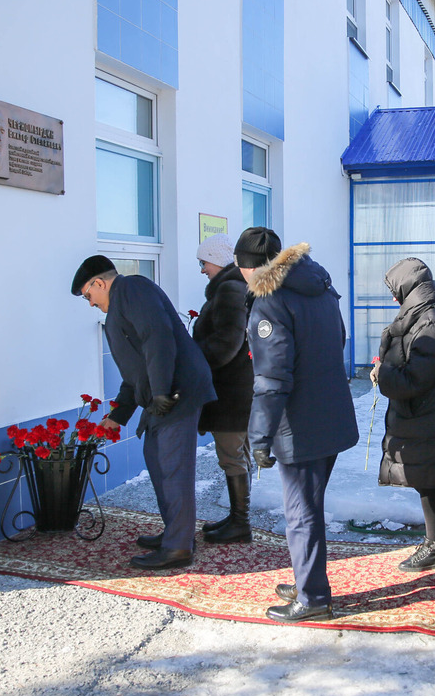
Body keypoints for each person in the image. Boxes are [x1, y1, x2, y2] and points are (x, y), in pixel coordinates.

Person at [237, 228, 359, 623]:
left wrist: (259, 437)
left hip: (300, 423)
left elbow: (272, 378)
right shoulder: (318, 285)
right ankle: (308, 578)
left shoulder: (269, 301)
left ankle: (312, 597)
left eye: (240, 269)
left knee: (301, 513)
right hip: (330, 412)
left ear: (252, 268)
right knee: (310, 505)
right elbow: (338, 338)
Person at [71, 255, 215, 570]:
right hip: (165, 392)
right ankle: (176, 533)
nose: (90, 303)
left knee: (171, 466)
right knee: (158, 458)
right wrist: (118, 416)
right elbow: (135, 373)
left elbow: (158, 336)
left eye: (88, 295)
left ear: (99, 282)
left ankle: (178, 547)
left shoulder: (132, 288)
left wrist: (162, 391)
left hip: (178, 391)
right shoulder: (119, 307)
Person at [371, 257, 435, 572]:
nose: (393, 298)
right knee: (425, 476)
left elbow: (416, 378)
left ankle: (434, 547)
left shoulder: (430, 322)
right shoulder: (422, 318)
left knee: (425, 477)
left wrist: (382, 372)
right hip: (425, 415)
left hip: (430, 415)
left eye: (395, 290)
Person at [191, 233, 255, 544]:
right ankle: (237, 516)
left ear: (218, 260)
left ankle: (240, 523)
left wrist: (196, 360)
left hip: (229, 390)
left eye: (204, 262)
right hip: (237, 387)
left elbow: (226, 343)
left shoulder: (229, 288)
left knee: (231, 455)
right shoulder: (235, 286)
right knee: (238, 454)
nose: (202, 269)